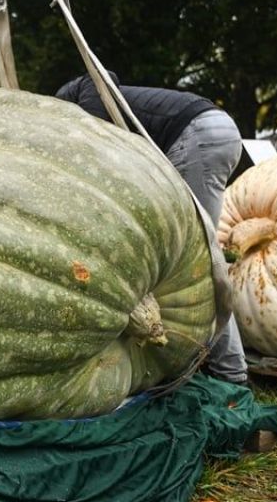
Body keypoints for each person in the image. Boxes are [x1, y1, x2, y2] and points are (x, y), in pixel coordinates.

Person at [55, 73, 248, 386]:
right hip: (211, 130)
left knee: (200, 262)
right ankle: (218, 366)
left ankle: (231, 374)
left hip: (198, 134)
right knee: (198, 257)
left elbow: (101, 80)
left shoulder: (74, 94)